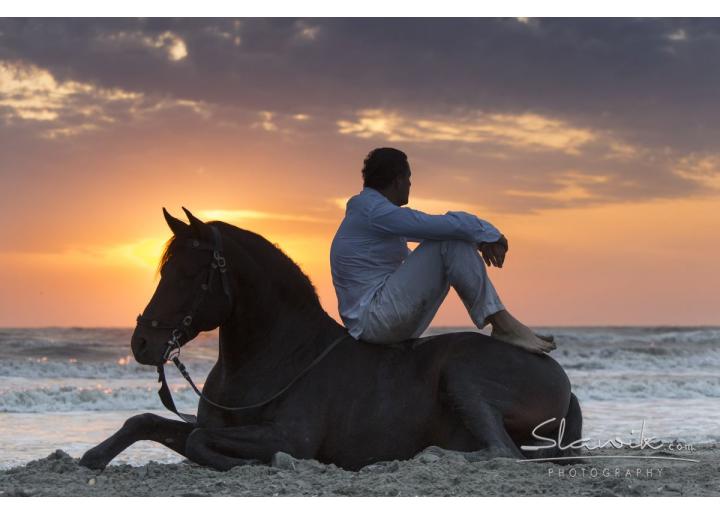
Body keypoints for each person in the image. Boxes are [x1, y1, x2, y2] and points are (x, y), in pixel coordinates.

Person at [330, 148, 556, 354]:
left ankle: (503, 323)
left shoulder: (372, 214)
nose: (410, 184)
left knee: (451, 240)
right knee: (449, 242)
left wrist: (478, 240)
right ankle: (503, 325)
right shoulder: (374, 212)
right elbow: (434, 226)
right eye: (409, 178)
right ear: (398, 180)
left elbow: (432, 233)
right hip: (374, 320)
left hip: (376, 318)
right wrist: (489, 234)